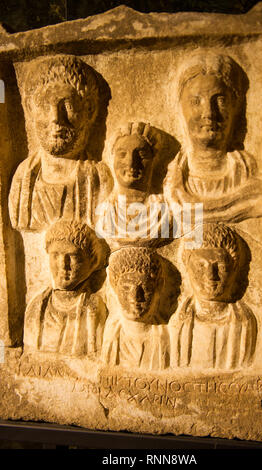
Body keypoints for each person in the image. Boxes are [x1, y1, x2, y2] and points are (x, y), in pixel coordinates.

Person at [9, 54, 112, 232]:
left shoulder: (99, 179)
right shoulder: (23, 180)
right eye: (44, 106)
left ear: (89, 109)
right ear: (29, 108)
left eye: (68, 106)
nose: (56, 119)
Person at [164, 53, 262, 223]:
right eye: (196, 101)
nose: (209, 113)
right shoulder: (169, 184)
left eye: (220, 100)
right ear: (180, 108)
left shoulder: (255, 178)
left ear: (235, 106)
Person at [169, 223, 257, 370]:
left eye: (221, 267)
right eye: (201, 266)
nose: (211, 276)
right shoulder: (176, 323)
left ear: (234, 269)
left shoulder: (245, 323)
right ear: (187, 268)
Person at [23, 220, 108, 356]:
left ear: (92, 261)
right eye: (55, 255)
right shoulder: (37, 307)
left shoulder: (93, 309)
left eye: (73, 256)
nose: (63, 264)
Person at [96, 122, 171, 247]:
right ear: (112, 159)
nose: (131, 162)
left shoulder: (166, 212)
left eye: (141, 155)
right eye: (122, 154)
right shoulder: (104, 213)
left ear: (154, 160)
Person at [101, 247, 170, 369]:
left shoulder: (167, 337)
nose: (136, 297)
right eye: (126, 288)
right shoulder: (110, 337)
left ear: (158, 288)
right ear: (114, 287)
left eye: (145, 289)